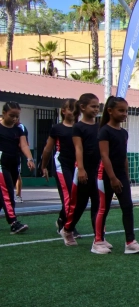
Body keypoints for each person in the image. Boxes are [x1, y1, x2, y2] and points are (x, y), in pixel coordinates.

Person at [90, 96, 139, 255]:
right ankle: (98, 241)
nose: (124, 114)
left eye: (126, 111)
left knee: (128, 207)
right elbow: (104, 156)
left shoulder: (123, 133)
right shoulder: (104, 131)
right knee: (103, 208)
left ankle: (130, 242)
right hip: (106, 176)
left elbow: (123, 156)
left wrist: (125, 177)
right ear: (110, 111)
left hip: (120, 175)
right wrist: (113, 178)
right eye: (121, 110)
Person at [61, 94, 101, 246]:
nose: (96, 109)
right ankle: (67, 229)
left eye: (97, 106)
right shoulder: (78, 127)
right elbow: (78, 148)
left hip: (97, 170)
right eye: (93, 106)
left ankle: (99, 237)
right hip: (84, 171)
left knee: (98, 204)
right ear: (83, 107)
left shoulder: (99, 126)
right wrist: (81, 168)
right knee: (79, 205)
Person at [41, 99, 81, 238]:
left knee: (77, 197)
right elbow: (48, 148)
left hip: (77, 165)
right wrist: (44, 166)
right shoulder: (57, 128)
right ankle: (67, 227)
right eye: (71, 109)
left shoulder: (80, 128)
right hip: (62, 165)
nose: (74, 112)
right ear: (63, 111)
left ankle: (61, 220)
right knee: (69, 197)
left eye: (76, 110)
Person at [0, 102, 34, 234]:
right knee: (8, 192)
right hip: (1, 164)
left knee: (2, 195)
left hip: (14, 163)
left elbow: (24, 145)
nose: (14, 119)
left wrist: (29, 158)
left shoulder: (19, 129)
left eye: (17, 116)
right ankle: (13, 222)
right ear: (4, 113)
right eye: (11, 115)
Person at [14, 118, 28, 203]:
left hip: (16, 154)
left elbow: (24, 143)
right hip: (3, 154)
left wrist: (29, 158)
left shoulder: (21, 127)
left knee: (16, 174)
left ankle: (18, 196)